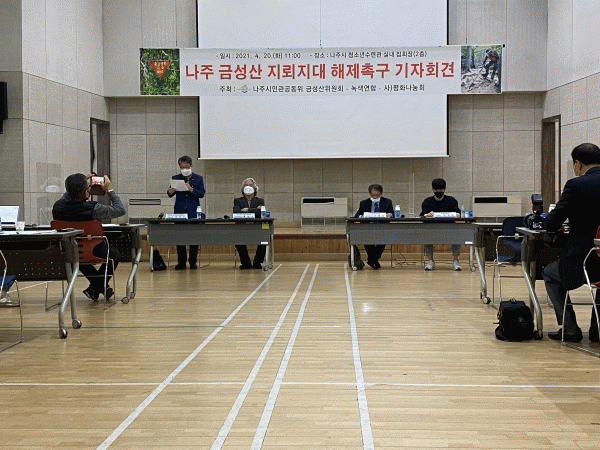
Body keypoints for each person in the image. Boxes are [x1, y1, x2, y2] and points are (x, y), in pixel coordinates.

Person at [543, 143, 600, 343]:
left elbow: (552, 222)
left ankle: (570, 328)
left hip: (584, 259)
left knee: (549, 274)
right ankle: (597, 329)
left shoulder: (576, 185)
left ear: (577, 164)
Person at [52, 173, 125, 301]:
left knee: (77, 255)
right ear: (86, 192)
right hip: (93, 246)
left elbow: (67, 197)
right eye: (88, 188)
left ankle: (95, 288)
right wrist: (110, 190)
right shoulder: (93, 208)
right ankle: (98, 287)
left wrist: (77, 183)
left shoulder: (57, 207)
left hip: (70, 248)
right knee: (115, 255)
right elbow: (120, 209)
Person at [167, 156, 205, 270]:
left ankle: (193, 261)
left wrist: (191, 189)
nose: (184, 169)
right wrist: (170, 192)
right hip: (180, 210)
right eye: (182, 167)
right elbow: (170, 193)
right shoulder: (176, 178)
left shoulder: (198, 178)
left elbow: (201, 193)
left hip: (193, 211)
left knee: (194, 237)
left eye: (186, 167)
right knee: (180, 237)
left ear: (191, 166)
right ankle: (181, 262)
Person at [420, 178, 462, 271]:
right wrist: (427, 215)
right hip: (432, 230)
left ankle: (456, 260)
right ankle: (430, 261)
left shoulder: (451, 200)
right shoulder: (427, 201)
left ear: (444, 189)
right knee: (425, 234)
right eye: (436, 189)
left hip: (449, 229)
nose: (438, 191)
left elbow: (458, 214)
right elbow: (423, 216)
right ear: (433, 189)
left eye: (441, 189)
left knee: (457, 233)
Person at [354, 184, 393, 269]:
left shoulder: (387, 202)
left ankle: (372, 260)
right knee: (367, 238)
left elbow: (392, 213)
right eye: (373, 195)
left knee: (383, 239)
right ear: (369, 193)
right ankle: (374, 261)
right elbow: (357, 215)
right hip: (368, 227)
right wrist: (361, 216)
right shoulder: (364, 203)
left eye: (377, 195)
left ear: (381, 193)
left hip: (382, 227)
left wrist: (389, 215)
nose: (375, 197)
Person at [233, 178, 266, 270]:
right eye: (246, 185)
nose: (248, 187)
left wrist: (247, 210)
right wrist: (255, 210)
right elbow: (236, 212)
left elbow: (261, 212)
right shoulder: (238, 200)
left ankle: (257, 262)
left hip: (256, 228)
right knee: (238, 240)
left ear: (255, 188)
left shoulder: (260, 200)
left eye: (250, 185)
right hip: (242, 228)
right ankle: (245, 262)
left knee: (264, 240)